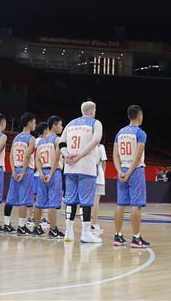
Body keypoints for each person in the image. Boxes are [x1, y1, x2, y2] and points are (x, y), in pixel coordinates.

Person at [61, 101, 104, 243]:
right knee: (86, 201)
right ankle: (85, 233)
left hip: (70, 167)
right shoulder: (95, 123)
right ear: (92, 111)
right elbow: (96, 141)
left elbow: (61, 142)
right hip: (86, 167)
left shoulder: (71, 123)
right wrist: (79, 156)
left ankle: (68, 232)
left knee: (70, 200)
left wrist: (66, 155)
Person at [113, 104, 149, 249]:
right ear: (139, 116)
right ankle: (136, 237)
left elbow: (115, 155)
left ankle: (117, 236)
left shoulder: (120, 132)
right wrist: (129, 173)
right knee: (136, 205)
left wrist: (119, 171)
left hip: (121, 170)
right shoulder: (140, 133)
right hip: (135, 171)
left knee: (120, 204)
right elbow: (138, 156)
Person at [31, 117, 64, 238]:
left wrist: (40, 173)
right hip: (53, 172)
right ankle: (53, 229)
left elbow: (37, 160)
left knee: (39, 203)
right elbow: (57, 158)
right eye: (60, 125)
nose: (61, 127)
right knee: (53, 203)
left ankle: (36, 228)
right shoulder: (57, 139)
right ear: (54, 125)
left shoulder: (40, 141)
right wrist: (50, 174)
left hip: (42, 173)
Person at [5, 112, 37, 235]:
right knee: (24, 199)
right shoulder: (31, 138)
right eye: (34, 122)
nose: (35, 125)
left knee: (10, 198)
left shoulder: (16, 138)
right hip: (26, 170)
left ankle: (7, 224)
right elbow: (27, 156)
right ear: (29, 123)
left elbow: (11, 156)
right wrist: (23, 172)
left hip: (15, 169)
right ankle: (21, 226)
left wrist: (13, 170)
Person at [93, 141, 107, 235]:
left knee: (86, 200)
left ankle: (86, 222)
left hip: (88, 174)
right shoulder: (100, 146)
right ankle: (94, 223)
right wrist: (103, 173)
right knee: (96, 200)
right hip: (98, 176)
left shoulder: (88, 145)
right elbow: (104, 161)